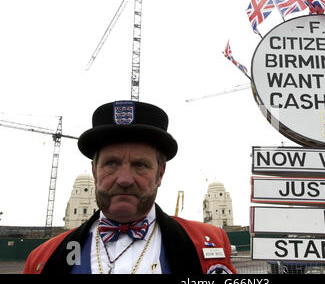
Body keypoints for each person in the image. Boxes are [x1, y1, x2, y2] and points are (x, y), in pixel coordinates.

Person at [23, 100, 237, 274]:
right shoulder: (43, 259)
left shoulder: (210, 243)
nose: (124, 179)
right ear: (94, 171)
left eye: (140, 165)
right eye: (111, 163)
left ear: (160, 174)